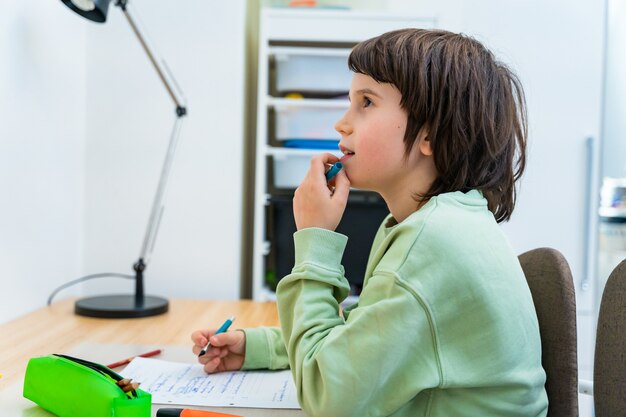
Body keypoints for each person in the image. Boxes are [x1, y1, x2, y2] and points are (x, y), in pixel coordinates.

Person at [191, 28, 548, 417]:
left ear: (430, 133)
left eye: (366, 103)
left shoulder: (434, 243)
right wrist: (260, 347)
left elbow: (328, 397)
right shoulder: (434, 224)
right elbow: (368, 338)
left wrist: (314, 237)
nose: (341, 124)